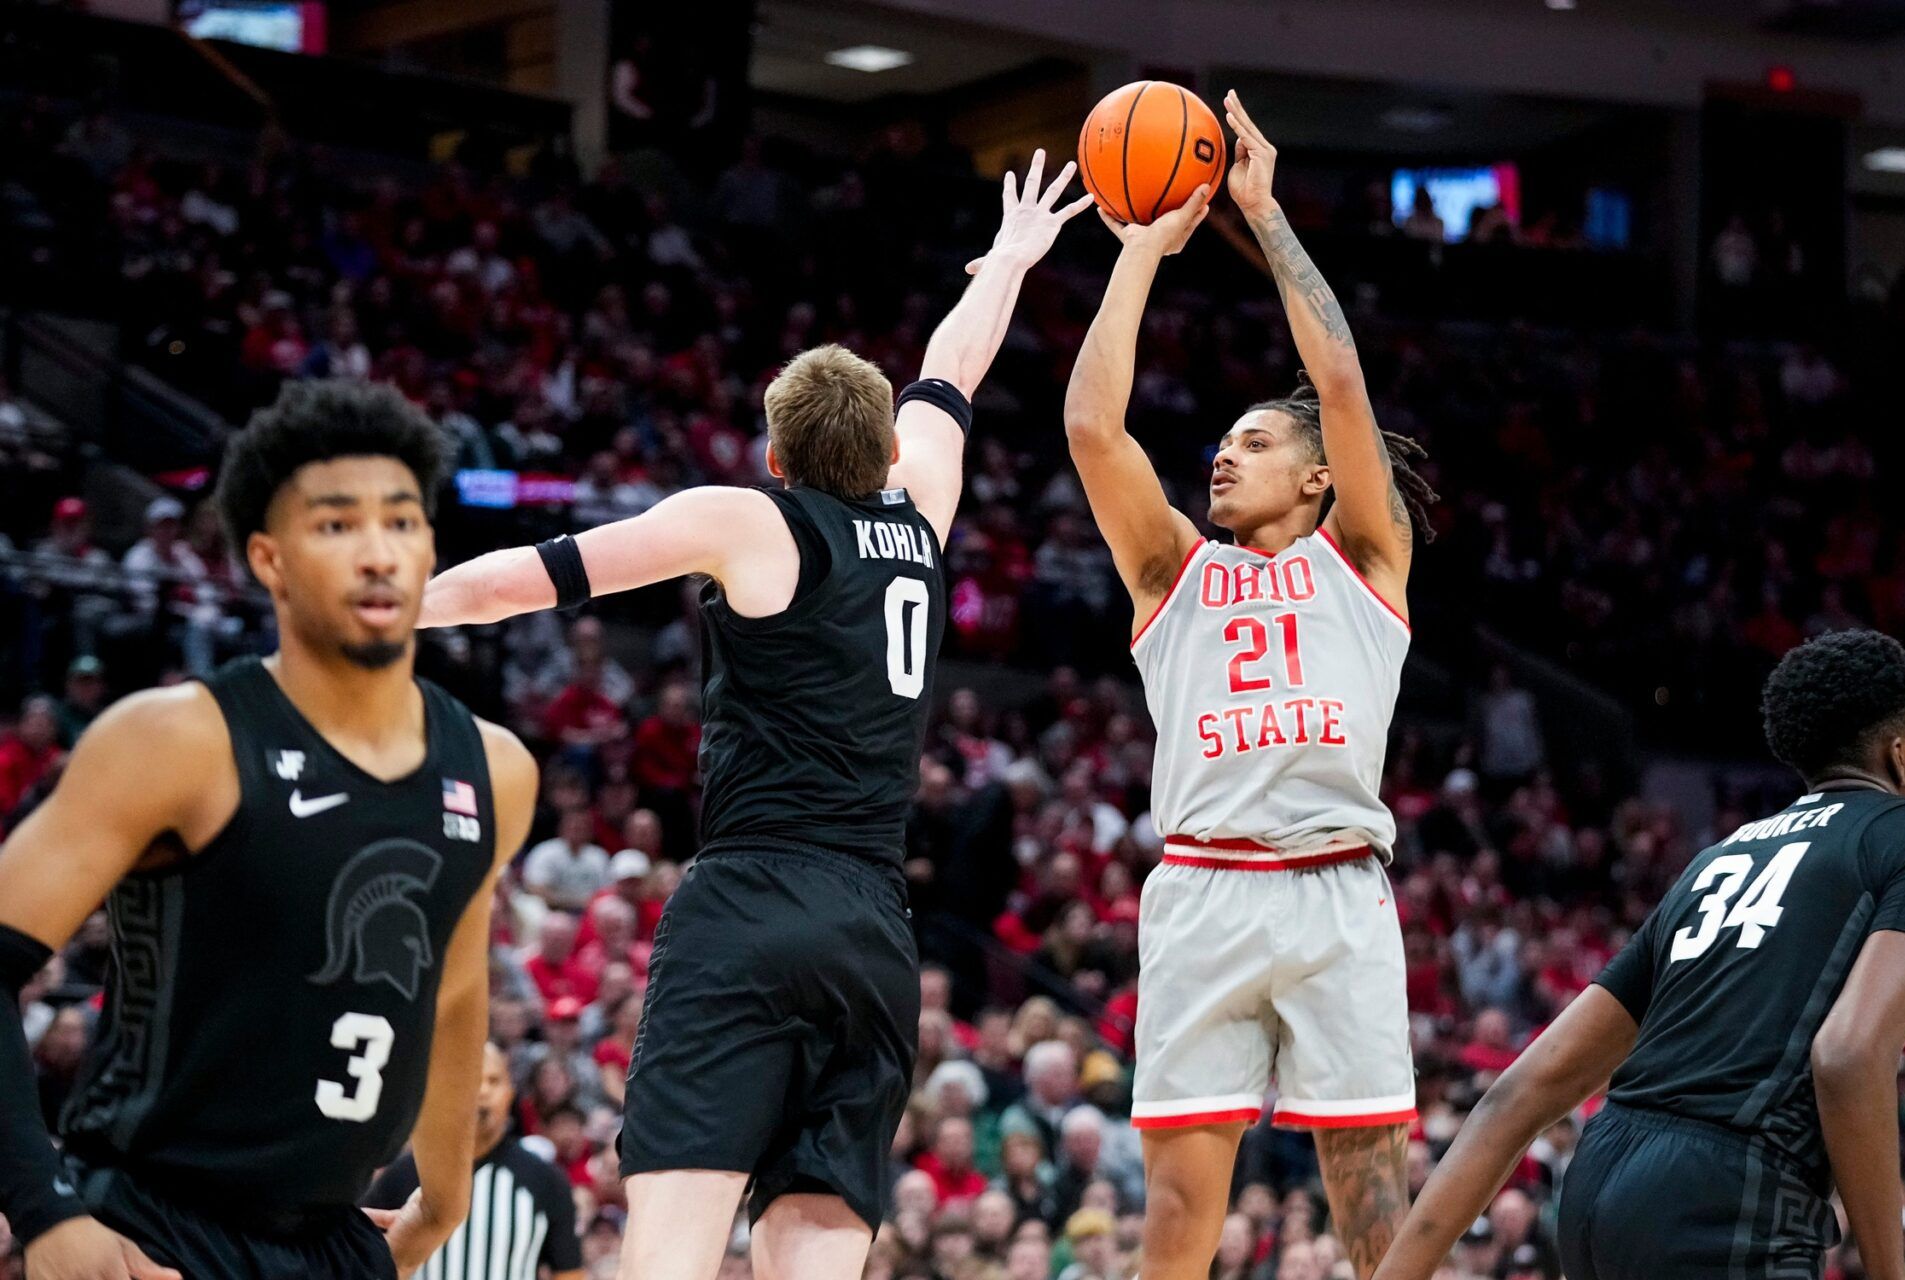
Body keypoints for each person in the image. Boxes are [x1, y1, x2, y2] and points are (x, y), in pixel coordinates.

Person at [417, 152, 1091, 1280]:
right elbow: (952, 370)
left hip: (748, 902)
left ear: (775, 458)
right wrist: (1014, 257)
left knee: (667, 1255)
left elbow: (514, 583)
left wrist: (382, 610)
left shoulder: (748, 519)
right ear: (882, 452)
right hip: (875, 927)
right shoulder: (920, 506)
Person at [0, 378, 538, 1279]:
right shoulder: (174, 737)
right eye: (337, 525)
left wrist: (445, 1197)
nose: (378, 554)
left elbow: (450, 985)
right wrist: (46, 1211)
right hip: (152, 1227)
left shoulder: (496, 768)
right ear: (268, 558)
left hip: (333, 1238)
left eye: (400, 522)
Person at [1061, 91, 1438, 1280]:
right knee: (1179, 1218)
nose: (1224, 450)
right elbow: (1089, 423)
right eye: (1222, 438)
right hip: (1205, 887)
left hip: (1336, 887)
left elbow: (1336, 372)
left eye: (1257, 441)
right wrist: (1133, 254)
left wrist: (1266, 217)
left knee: (1374, 1211)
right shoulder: (1174, 570)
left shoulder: (1367, 559)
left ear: (1322, 477)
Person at [1375, 629, 1905, 1280]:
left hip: (1596, 1186)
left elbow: (1519, 1091)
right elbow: (1848, 1055)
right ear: (1898, 753)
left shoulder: (1720, 858)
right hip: (1728, 1201)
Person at [365, 1041, 585, 1280]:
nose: (482, 1091)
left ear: (510, 1094)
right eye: (470, 1078)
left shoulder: (545, 1178)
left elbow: (568, 1272)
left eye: (493, 1081)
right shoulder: (401, 1176)